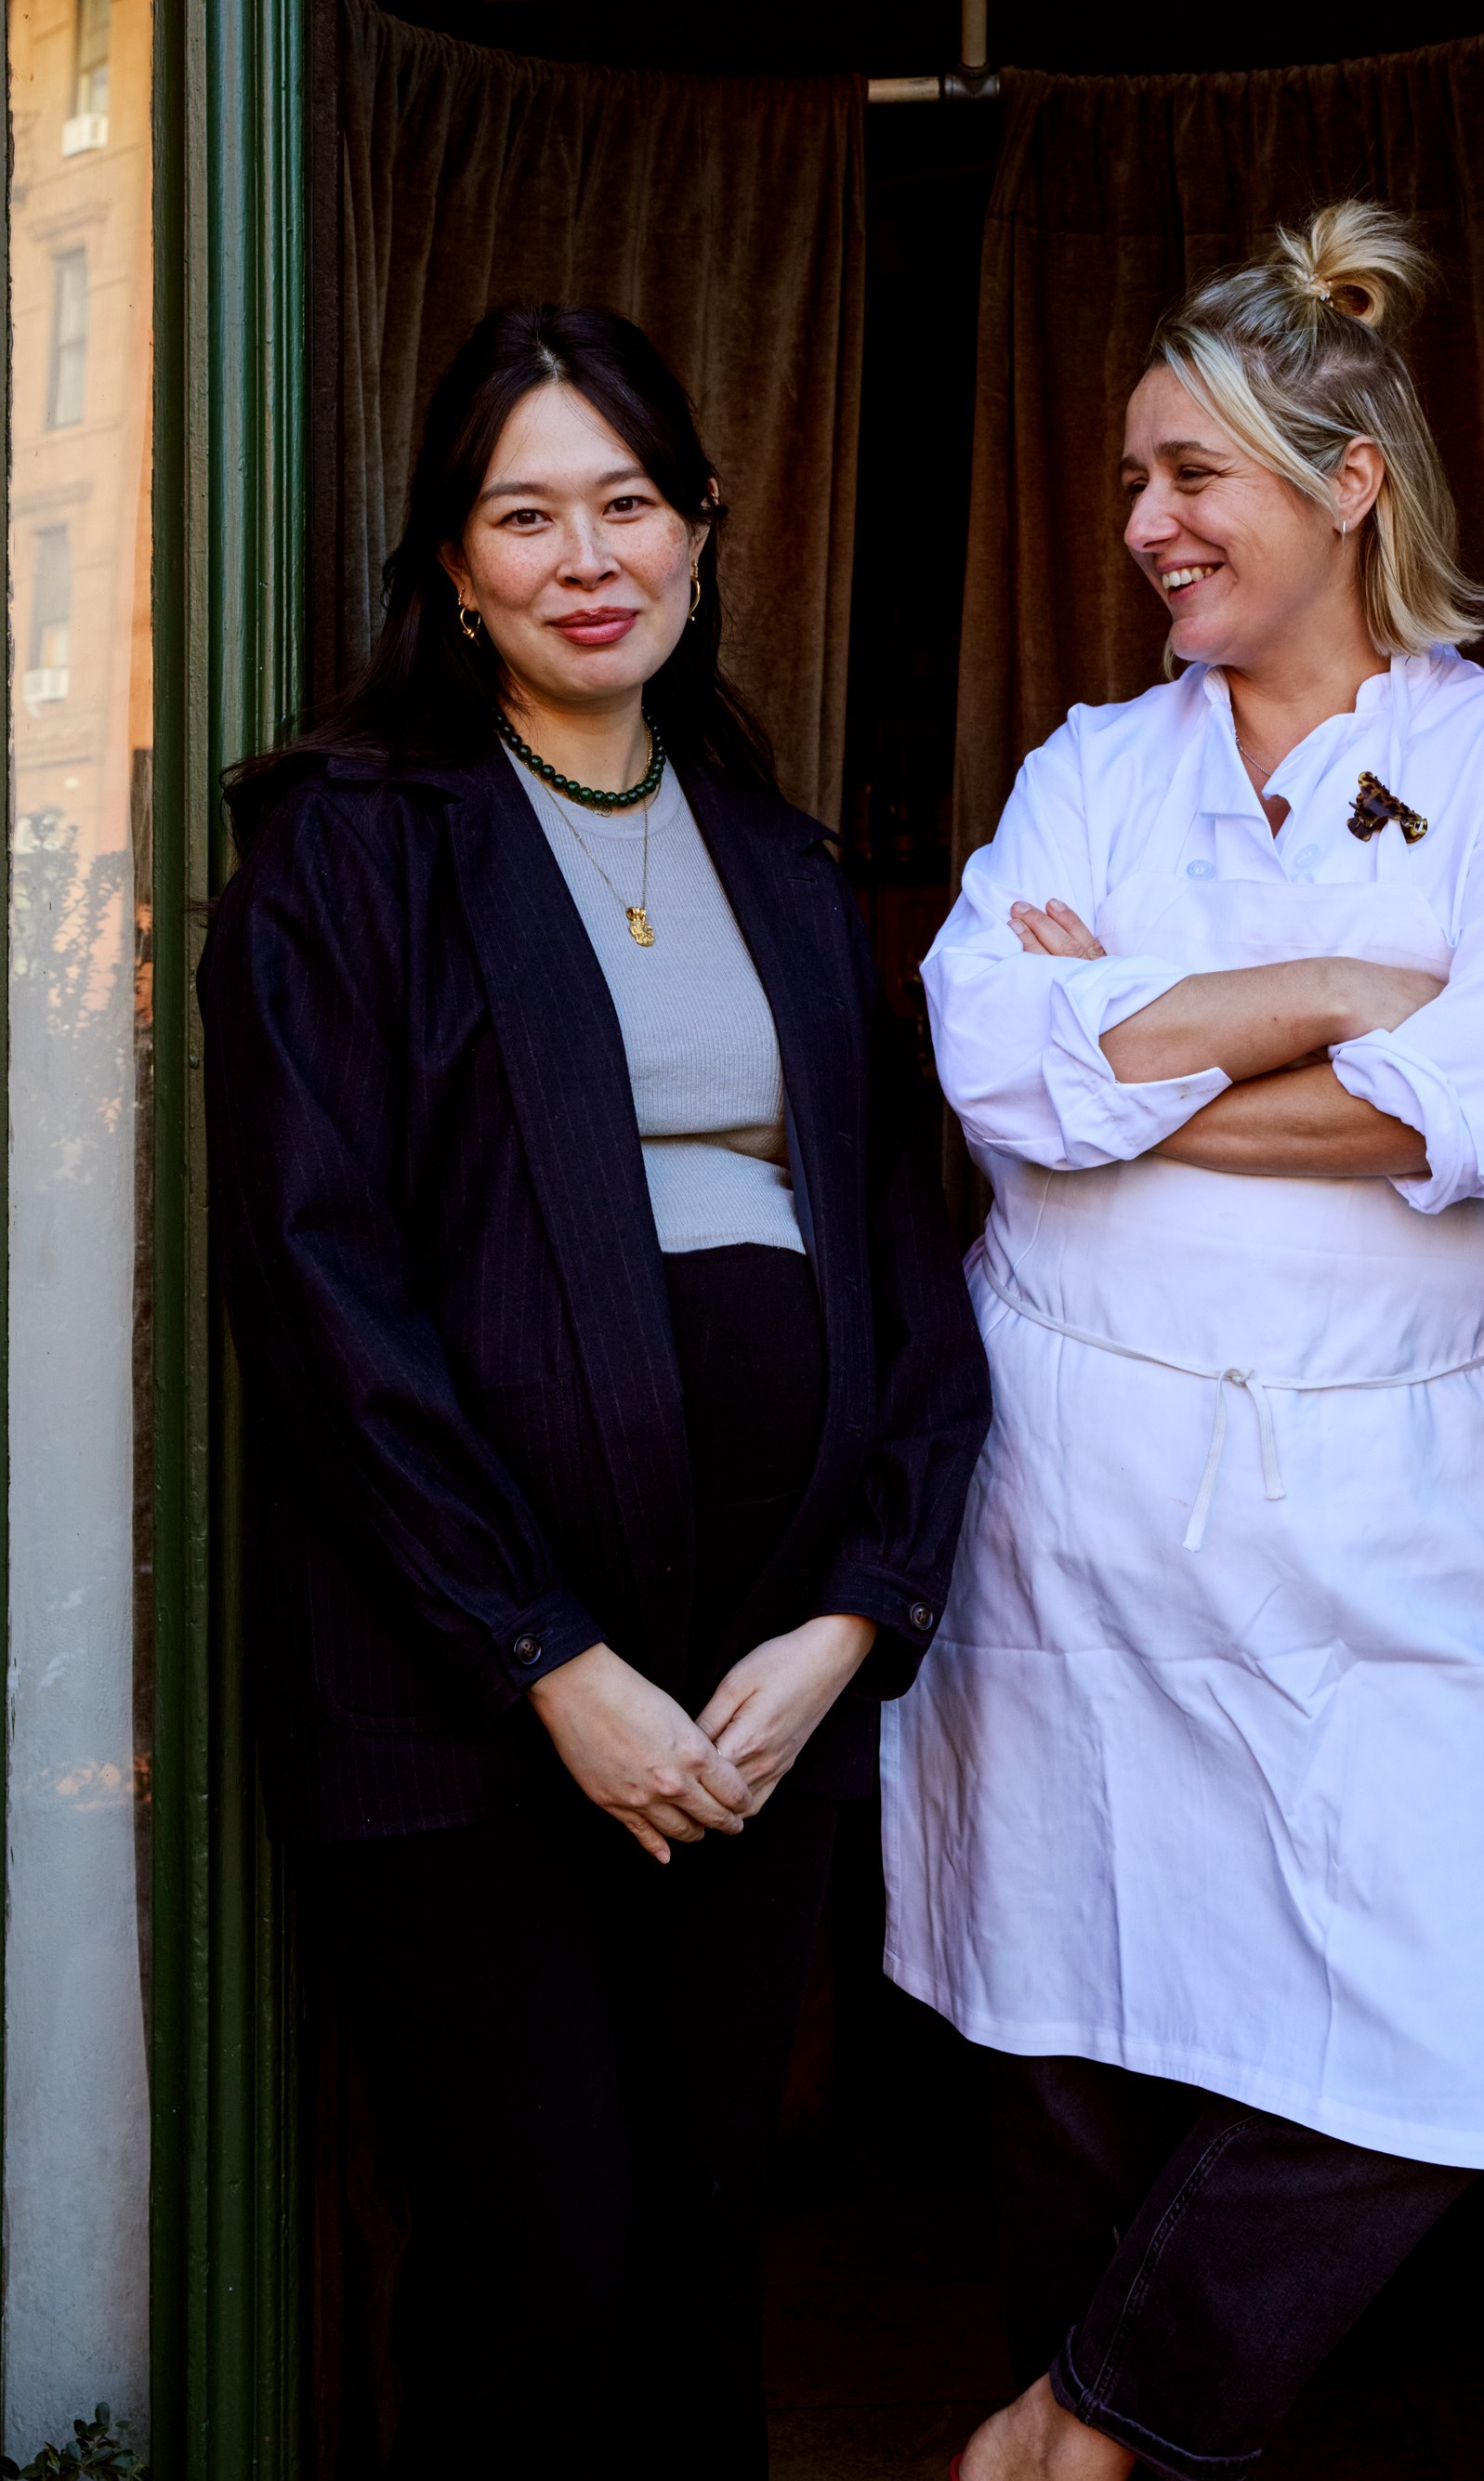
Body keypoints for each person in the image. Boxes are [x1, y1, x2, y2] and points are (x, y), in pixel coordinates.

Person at [198, 303, 989, 2477]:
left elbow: (917, 1294)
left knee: (703, 2256)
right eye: (524, 513)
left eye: (627, 502)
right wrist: (551, 1658)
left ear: (704, 528)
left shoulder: (787, 867)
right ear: (451, 569)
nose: (587, 556)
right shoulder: (347, 854)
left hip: (752, 1718)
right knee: (539, 2262)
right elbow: (319, 1295)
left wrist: (847, 1626)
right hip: (466, 1709)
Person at [886, 203, 1484, 2481]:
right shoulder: (1100, 767)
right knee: (1069, 2023)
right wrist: (1332, 996)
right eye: (1127, 479)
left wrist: (1145, 1068)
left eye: (1190, 475)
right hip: (1082, 1505)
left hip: (1387, 1508)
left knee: (1433, 2017)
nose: (1143, 527)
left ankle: (1079, 2432)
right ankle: (1114, 2433)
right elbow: (990, 1060)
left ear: (1346, 481)